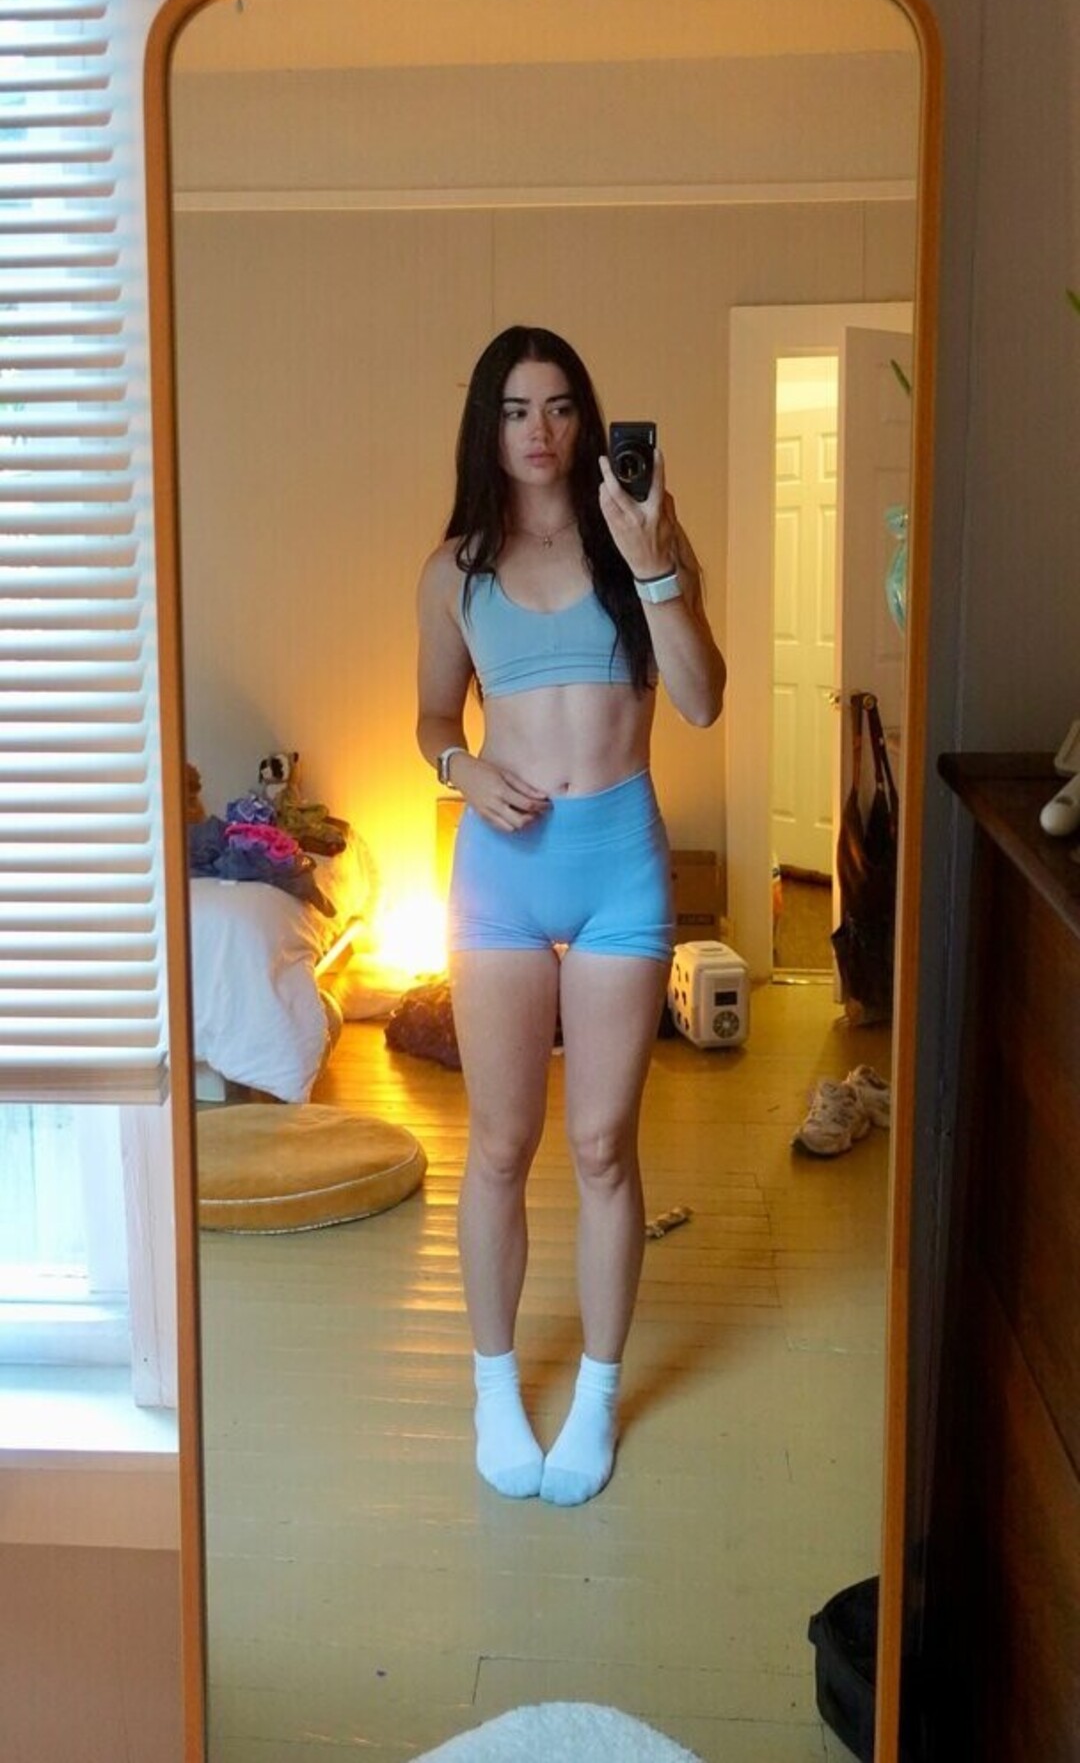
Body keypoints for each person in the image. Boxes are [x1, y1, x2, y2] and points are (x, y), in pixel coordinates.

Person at [415, 325, 725, 1506]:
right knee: (499, 1144)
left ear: (587, 420)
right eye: (513, 409)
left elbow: (701, 699)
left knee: (602, 1144)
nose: (537, 430)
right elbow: (431, 715)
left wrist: (655, 567)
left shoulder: (646, 540)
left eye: (556, 406)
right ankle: (494, 1386)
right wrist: (459, 767)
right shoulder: (453, 570)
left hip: (617, 869)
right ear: (486, 428)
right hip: (501, 873)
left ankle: (596, 1392)